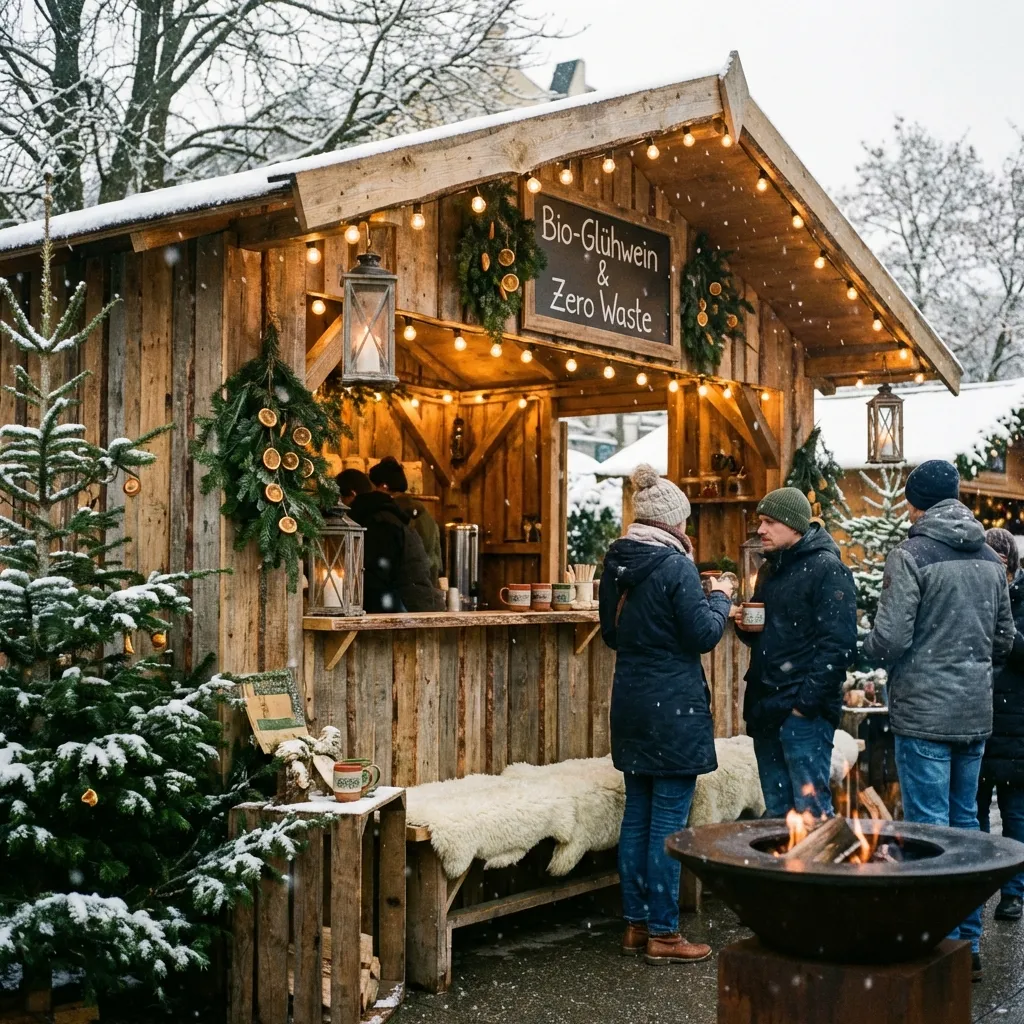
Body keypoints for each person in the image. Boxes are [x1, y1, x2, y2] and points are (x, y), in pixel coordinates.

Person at [863, 460, 1014, 979]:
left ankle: (937, 944)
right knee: (966, 824)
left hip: (924, 711)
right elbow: (1004, 639)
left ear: (915, 503)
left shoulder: (911, 554)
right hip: (973, 712)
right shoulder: (990, 559)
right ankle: (966, 944)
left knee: (928, 828)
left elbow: (891, 638)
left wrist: (870, 647)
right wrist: (973, 671)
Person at [599, 464, 734, 966]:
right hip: (673, 706)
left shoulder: (616, 562)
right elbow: (703, 634)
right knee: (668, 823)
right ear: (673, 521)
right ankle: (664, 933)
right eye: (685, 520)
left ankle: (636, 925)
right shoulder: (676, 567)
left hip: (631, 703)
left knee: (637, 815)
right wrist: (719, 598)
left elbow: (611, 634)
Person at [735, 487, 857, 820]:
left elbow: (839, 647)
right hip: (766, 710)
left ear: (794, 526)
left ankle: (818, 860)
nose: (761, 529)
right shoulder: (770, 569)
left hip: (803, 716)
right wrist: (746, 627)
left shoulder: (827, 570)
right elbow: (769, 636)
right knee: (776, 817)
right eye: (760, 521)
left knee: (811, 816)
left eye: (769, 522)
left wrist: (804, 707)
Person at [977, 528, 1024, 922]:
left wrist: (1005, 633)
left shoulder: (1018, 599)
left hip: (1015, 724)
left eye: (1003, 564)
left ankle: (1013, 892)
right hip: (976, 718)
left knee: (1015, 814)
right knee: (973, 812)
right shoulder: (974, 593)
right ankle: (975, 888)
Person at [336, 468, 444, 614]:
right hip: (411, 605)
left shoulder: (377, 522)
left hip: (405, 610)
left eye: (341, 500)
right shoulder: (387, 515)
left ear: (352, 494)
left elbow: (378, 576)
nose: (341, 510)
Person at [368, 456, 443, 585]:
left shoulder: (393, 513)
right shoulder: (425, 513)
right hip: (427, 581)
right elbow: (436, 556)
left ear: (384, 487)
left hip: (405, 585)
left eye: (376, 487)